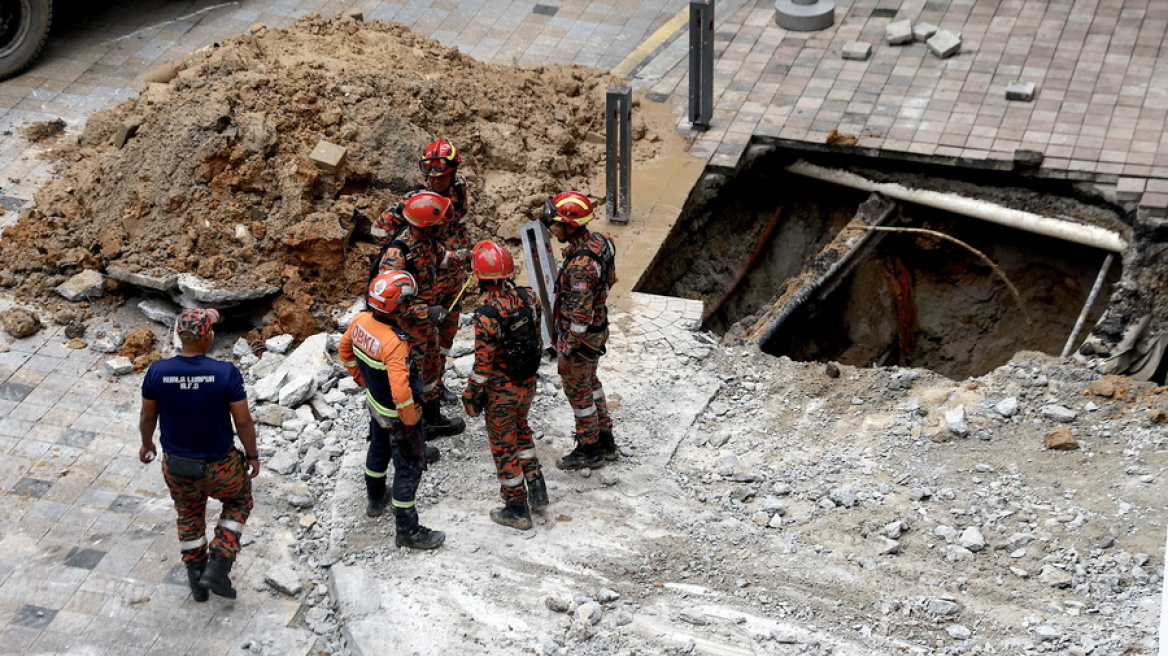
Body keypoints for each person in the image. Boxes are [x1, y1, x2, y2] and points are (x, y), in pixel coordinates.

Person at [138, 307, 259, 602]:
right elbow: (243, 421)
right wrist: (252, 455)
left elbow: (147, 416)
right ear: (208, 337)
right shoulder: (225, 373)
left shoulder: (158, 371)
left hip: (178, 465)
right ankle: (219, 564)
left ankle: (196, 579)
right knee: (239, 501)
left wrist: (147, 444)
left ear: (180, 334)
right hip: (221, 465)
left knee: (189, 515)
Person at [339, 270, 446, 550]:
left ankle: (375, 500)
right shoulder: (394, 342)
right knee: (408, 468)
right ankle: (407, 530)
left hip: (375, 405)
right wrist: (410, 422)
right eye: (406, 302)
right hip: (397, 415)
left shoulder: (360, 321)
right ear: (397, 305)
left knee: (377, 450)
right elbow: (401, 391)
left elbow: (344, 350)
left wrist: (360, 378)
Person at [371, 139, 471, 407]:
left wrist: (460, 256)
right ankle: (416, 400)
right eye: (431, 176)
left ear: (454, 172)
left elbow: (459, 229)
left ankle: (437, 384)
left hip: (452, 275)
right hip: (427, 283)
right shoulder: (417, 200)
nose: (435, 181)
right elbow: (379, 231)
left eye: (442, 176)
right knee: (421, 343)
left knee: (444, 339)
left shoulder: (460, 191)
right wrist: (407, 256)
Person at [462, 240, 549, 530]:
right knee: (521, 429)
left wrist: (471, 394)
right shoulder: (530, 297)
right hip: (527, 382)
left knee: (503, 445)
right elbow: (537, 338)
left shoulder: (487, 314)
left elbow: (483, 365)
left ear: (480, 277)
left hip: (501, 390)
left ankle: (516, 509)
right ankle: (537, 490)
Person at [375, 191, 466, 438]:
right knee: (411, 378)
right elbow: (388, 302)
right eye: (440, 225)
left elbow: (445, 259)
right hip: (407, 330)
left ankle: (433, 419)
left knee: (431, 370)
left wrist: (469, 256)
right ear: (427, 227)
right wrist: (427, 310)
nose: (444, 229)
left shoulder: (427, 243)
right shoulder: (397, 254)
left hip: (426, 327)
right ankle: (413, 434)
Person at [541, 191, 619, 469]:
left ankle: (590, 449)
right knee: (592, 383)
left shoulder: (579, 268)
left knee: (578, 392)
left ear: (570, 225)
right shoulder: (603, 242)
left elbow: (579, 319)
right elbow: (610, 281)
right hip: (599, 329)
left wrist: (565, 352)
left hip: (582, 338)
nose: (552, 228)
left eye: (556, 223)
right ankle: (606, 440)